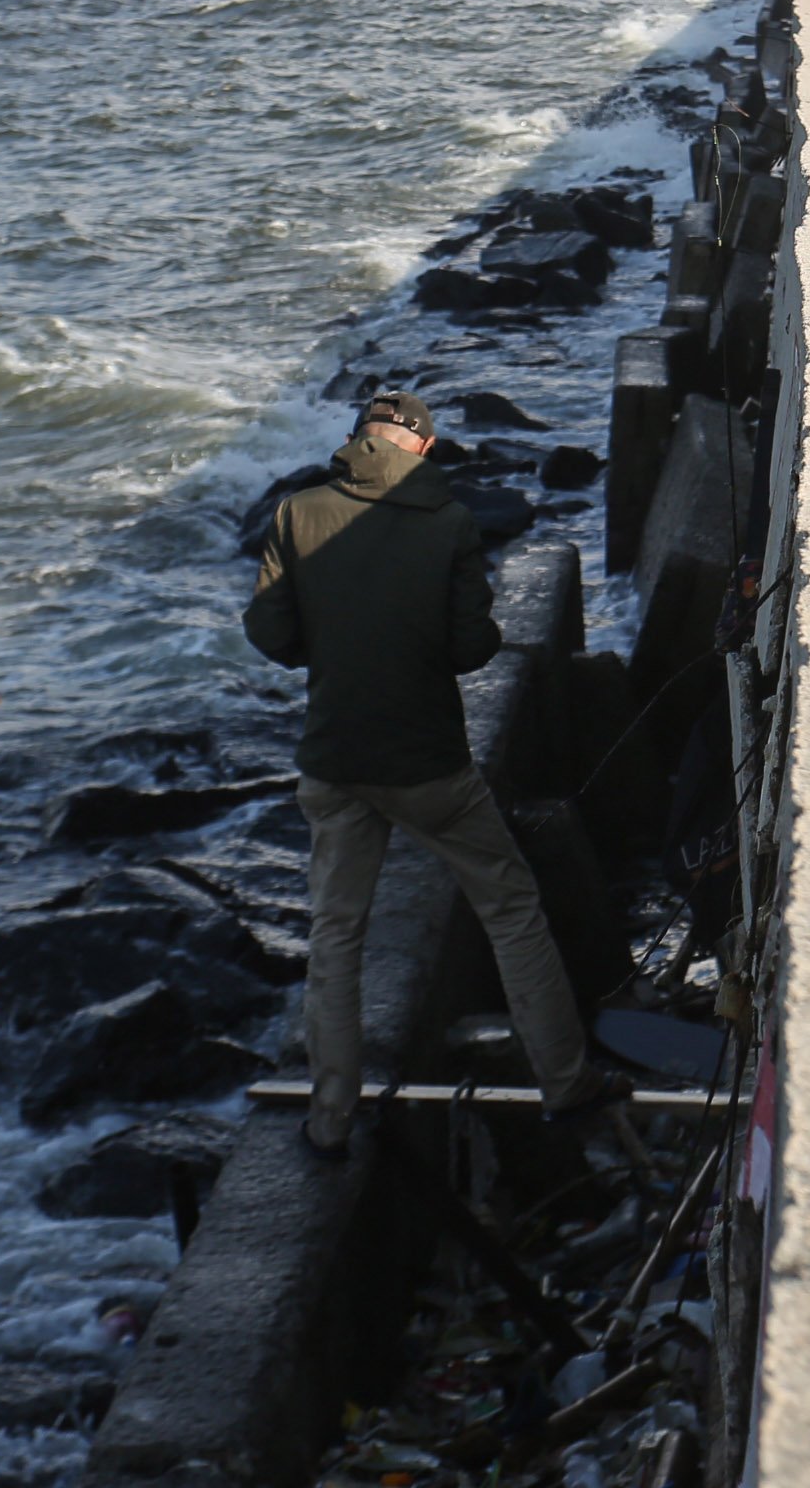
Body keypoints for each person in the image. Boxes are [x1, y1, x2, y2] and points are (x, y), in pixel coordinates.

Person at [244, 390, 604, 1158]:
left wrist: (335, 647)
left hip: (335, 762)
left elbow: (269, 634)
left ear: (358, 441)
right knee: (510, 907)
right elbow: (472, 648)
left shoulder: (297, 514)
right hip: (428, 768)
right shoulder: (449, 524)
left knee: (336, 935)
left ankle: (329, 1120)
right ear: (425, 449)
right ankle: (565, 1083)